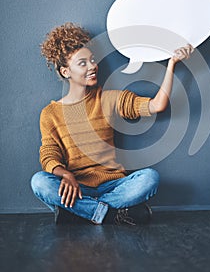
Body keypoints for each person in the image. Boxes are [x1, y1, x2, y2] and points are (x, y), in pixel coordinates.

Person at [31, 22, 194, 225]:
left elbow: (157, 105)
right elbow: (49, 154)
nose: (92, 66)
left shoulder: (109, 99)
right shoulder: (50, 114)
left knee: (149, 178)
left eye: (92, 60)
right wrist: (65, 175)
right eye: (83, 63)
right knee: (39, 182)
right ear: (66, 72)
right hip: (76, 187)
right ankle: (112, 214)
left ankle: (82, 212)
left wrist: (172, 64)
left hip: (114, 185)